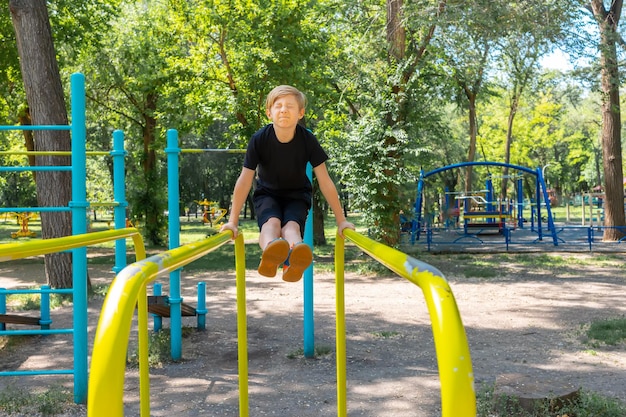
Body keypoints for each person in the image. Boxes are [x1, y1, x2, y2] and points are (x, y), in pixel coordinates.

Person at [220, 85, 354, 282]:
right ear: (269, 113)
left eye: (290, 106)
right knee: (271, 225)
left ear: (300, 113)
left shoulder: (307, 140)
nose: (283, 110)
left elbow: (325, 181)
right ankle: (270, 254)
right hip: (267, 193)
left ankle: (294, 261)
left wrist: (341, 220)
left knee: (291, 228)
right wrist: (232, 221)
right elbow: (245, 179)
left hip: (297, 195)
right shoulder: (259, 140)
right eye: (278, 106)